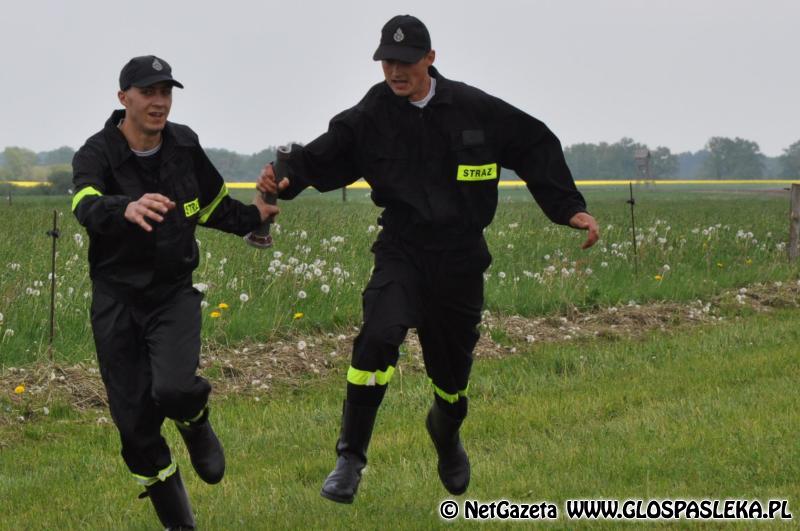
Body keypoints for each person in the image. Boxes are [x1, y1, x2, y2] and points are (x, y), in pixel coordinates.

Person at [266, 15, 600, 504]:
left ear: (430, 59)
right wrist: (284, 177)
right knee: (376, 340)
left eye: (404, 62)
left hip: (461, 260)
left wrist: (569, 208)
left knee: (450, 380)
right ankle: (350, 458)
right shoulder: (372, 113)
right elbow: (325, 155)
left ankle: (446, 434)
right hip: (402, 250)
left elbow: (535, 144)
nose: (395, 72)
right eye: (387, 62)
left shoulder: (474, 109)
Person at [71, 55, 283, 528]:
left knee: (172, 388)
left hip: (172, 294)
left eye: (166, 92)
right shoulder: (97, 152)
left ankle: (194, 420)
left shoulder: (185, 145)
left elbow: (208, 205)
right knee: (134, 429)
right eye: (148, 92)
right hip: (116, 301)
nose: (159, 102)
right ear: (124, 98)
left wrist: (254, 219)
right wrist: (124, 207)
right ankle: (178, 521)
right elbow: (84, 203)